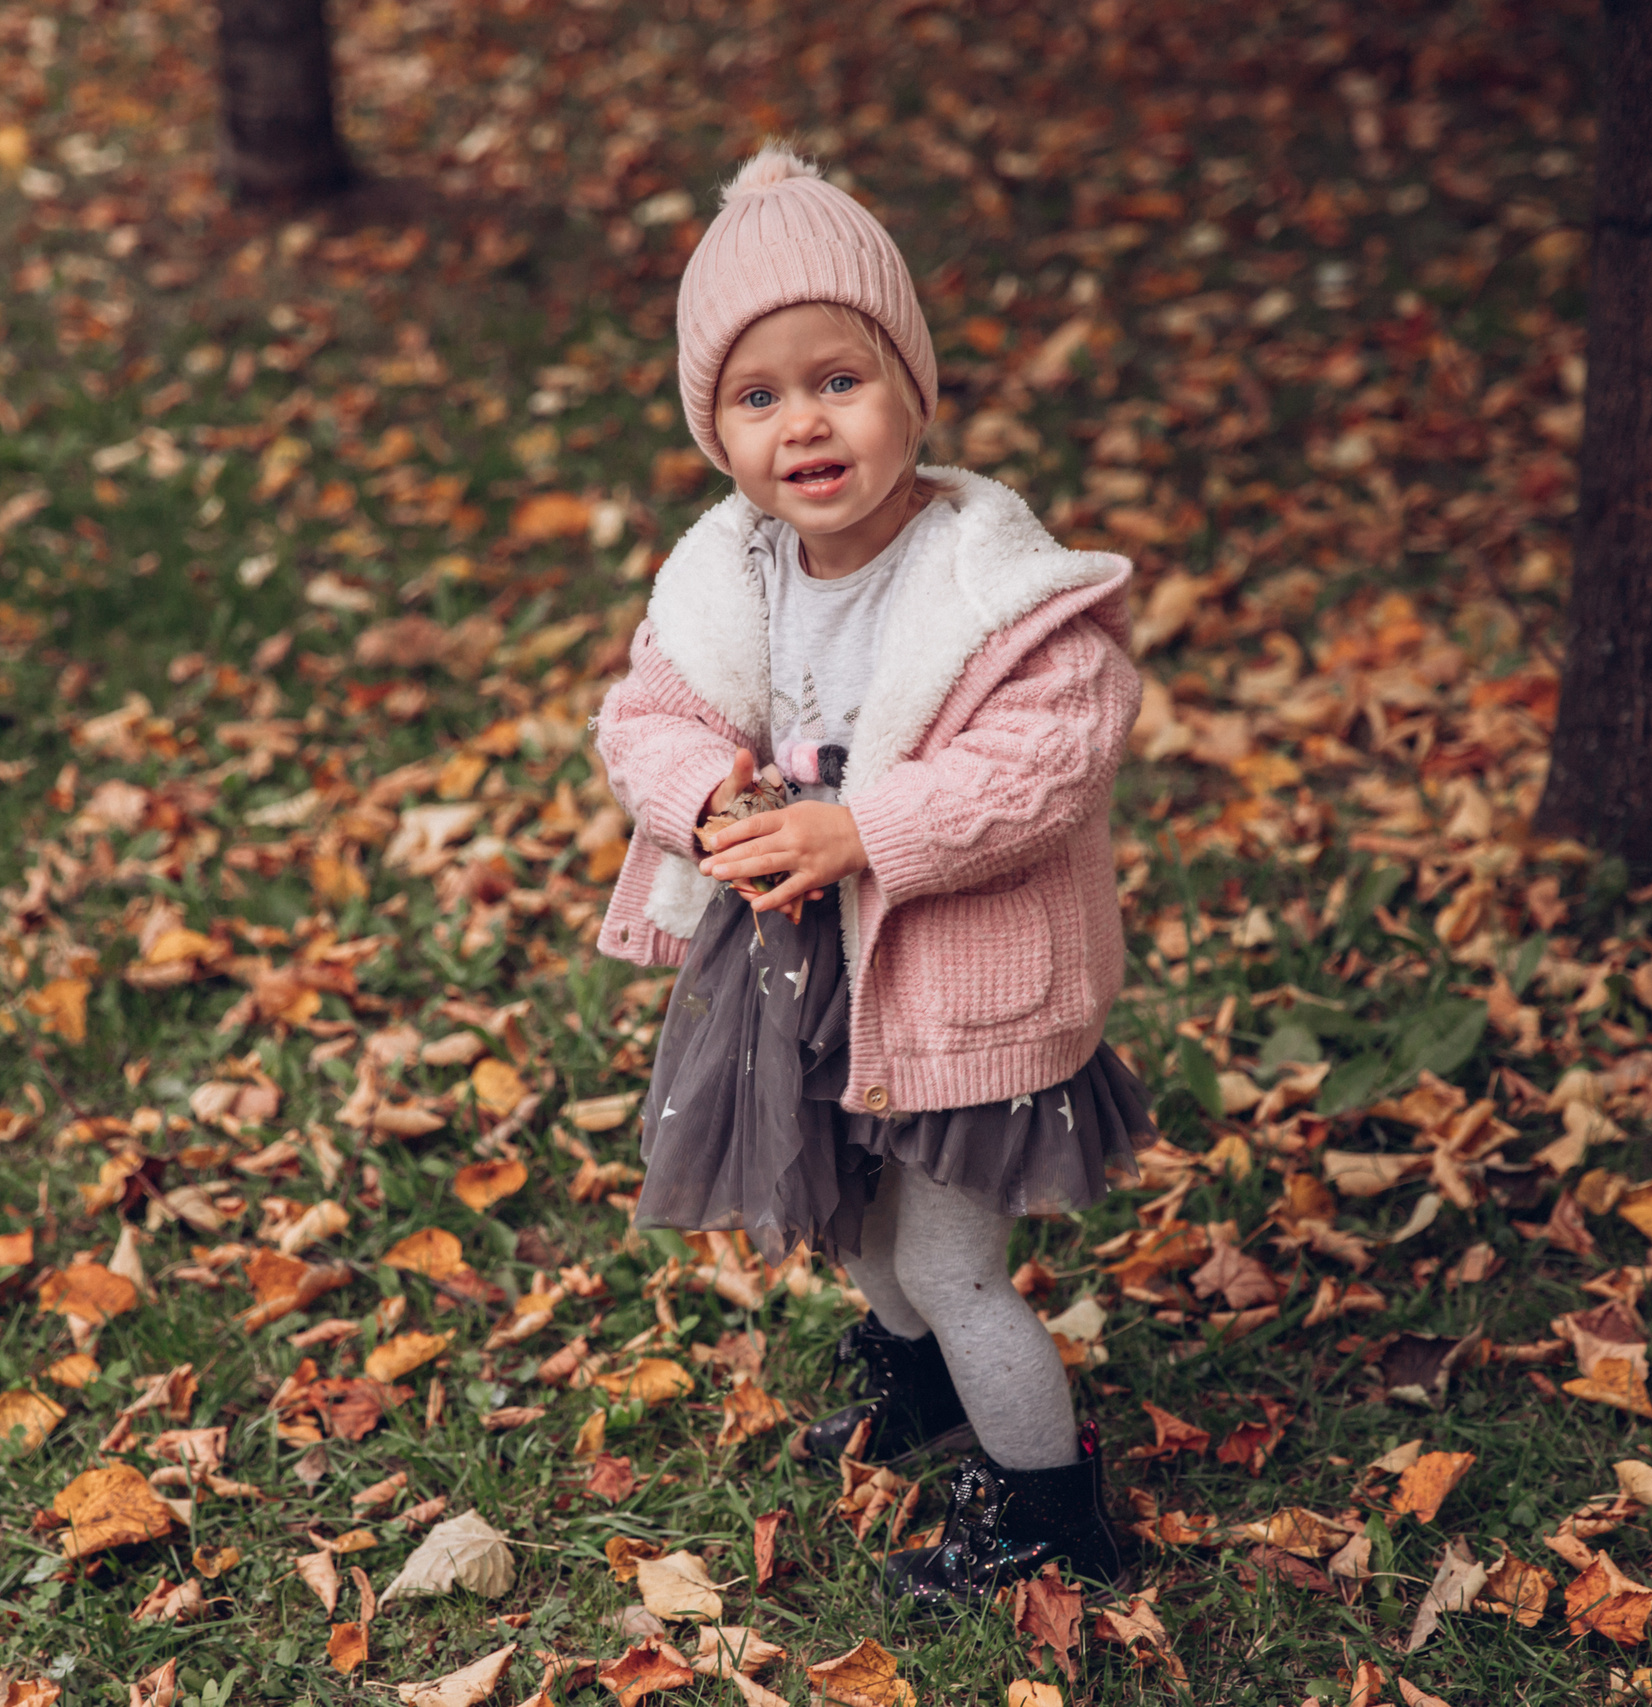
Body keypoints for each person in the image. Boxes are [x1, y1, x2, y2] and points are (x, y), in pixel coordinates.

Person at [592, 143, 1153, 1611]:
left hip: (953, 983)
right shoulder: (732, 577)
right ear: (717, 433)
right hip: (813, 979)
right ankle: (920, 1388)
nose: (805, 422)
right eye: (758, 396)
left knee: (953, 1264)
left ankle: (1050, 1512)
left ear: (913, 390)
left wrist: (864, 830)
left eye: (840, 379)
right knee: (862, 1227)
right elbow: (643, 716)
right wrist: (708, 792)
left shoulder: (987, 580)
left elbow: (1051, 754)